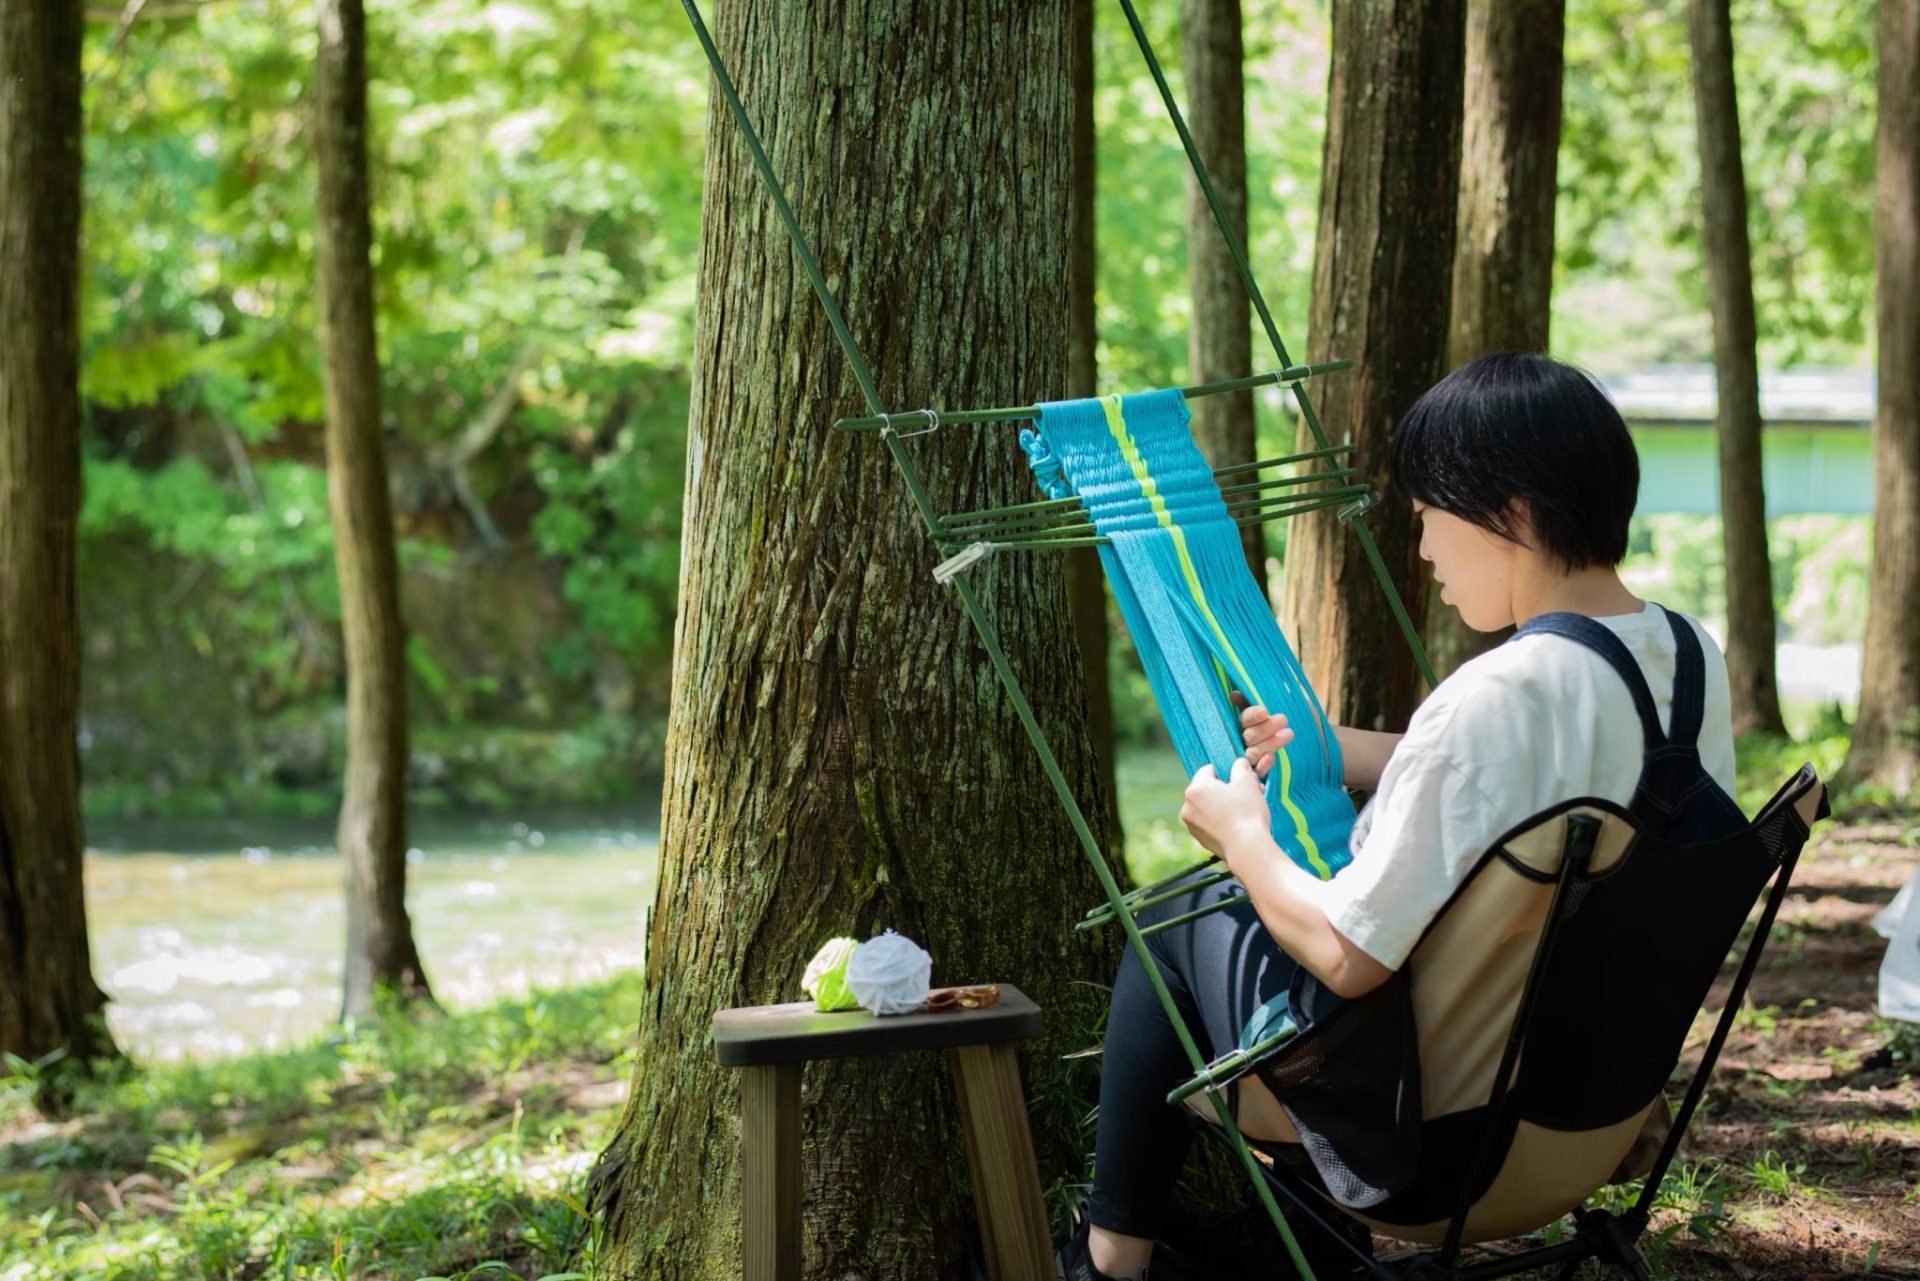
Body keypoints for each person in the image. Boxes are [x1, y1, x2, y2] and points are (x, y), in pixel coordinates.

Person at [1056, 353, 1739, 1281]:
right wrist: (1332, 749)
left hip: (1437, 1144)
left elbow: (1347, 952)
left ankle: (1107, 1262)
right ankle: (1295, 1249)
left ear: (1513, 515)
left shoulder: (1494, 695)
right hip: (1591, 1117)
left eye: (1428, 519)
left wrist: (1243, 837)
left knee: (1176, 923)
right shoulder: (1688, 660)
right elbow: (1510, 773)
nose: (1421, 549)